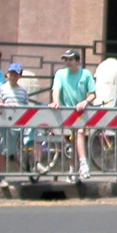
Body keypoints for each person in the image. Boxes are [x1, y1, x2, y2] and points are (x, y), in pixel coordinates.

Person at [51, 48, 97, 180]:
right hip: (66, 110)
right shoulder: (60, 74)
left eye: (71, 59)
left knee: (80, 133)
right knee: (74, 140)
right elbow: (56, 89)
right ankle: (73, 169)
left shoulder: (86, 74)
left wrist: (86, 101)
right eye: (66, 59)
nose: (68, 62)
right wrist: (55, 102)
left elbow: (93, 94)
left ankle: (82, 164)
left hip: (80, 110)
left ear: (77, 61)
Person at [0, 63, 32, 187]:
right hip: (6, 122)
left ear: (20, 76)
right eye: (11, 74)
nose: (13, 77)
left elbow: (26, 105)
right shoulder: (2, 88)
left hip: (20, 123)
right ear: (7, 74)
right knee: (4, 149)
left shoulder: (22, 91)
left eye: (16, 74)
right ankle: (0, 177)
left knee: (26, 142)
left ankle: (35, 164)